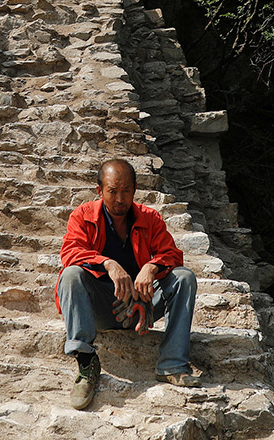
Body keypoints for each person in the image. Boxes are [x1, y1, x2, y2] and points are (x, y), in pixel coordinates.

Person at [54, 157, 200, 409]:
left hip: (143, 307)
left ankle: (172, 364)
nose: (120, 199)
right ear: (100, 191)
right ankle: (87, 363)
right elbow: (70, 252)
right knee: (71, 275)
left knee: (184, 277)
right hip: (101, 308)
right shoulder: (83, 216)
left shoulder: (150, 218)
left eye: (126, 191)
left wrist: (151, 267)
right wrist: (108, 264)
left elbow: (173, 255)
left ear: (135, 189)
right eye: (112, 191)